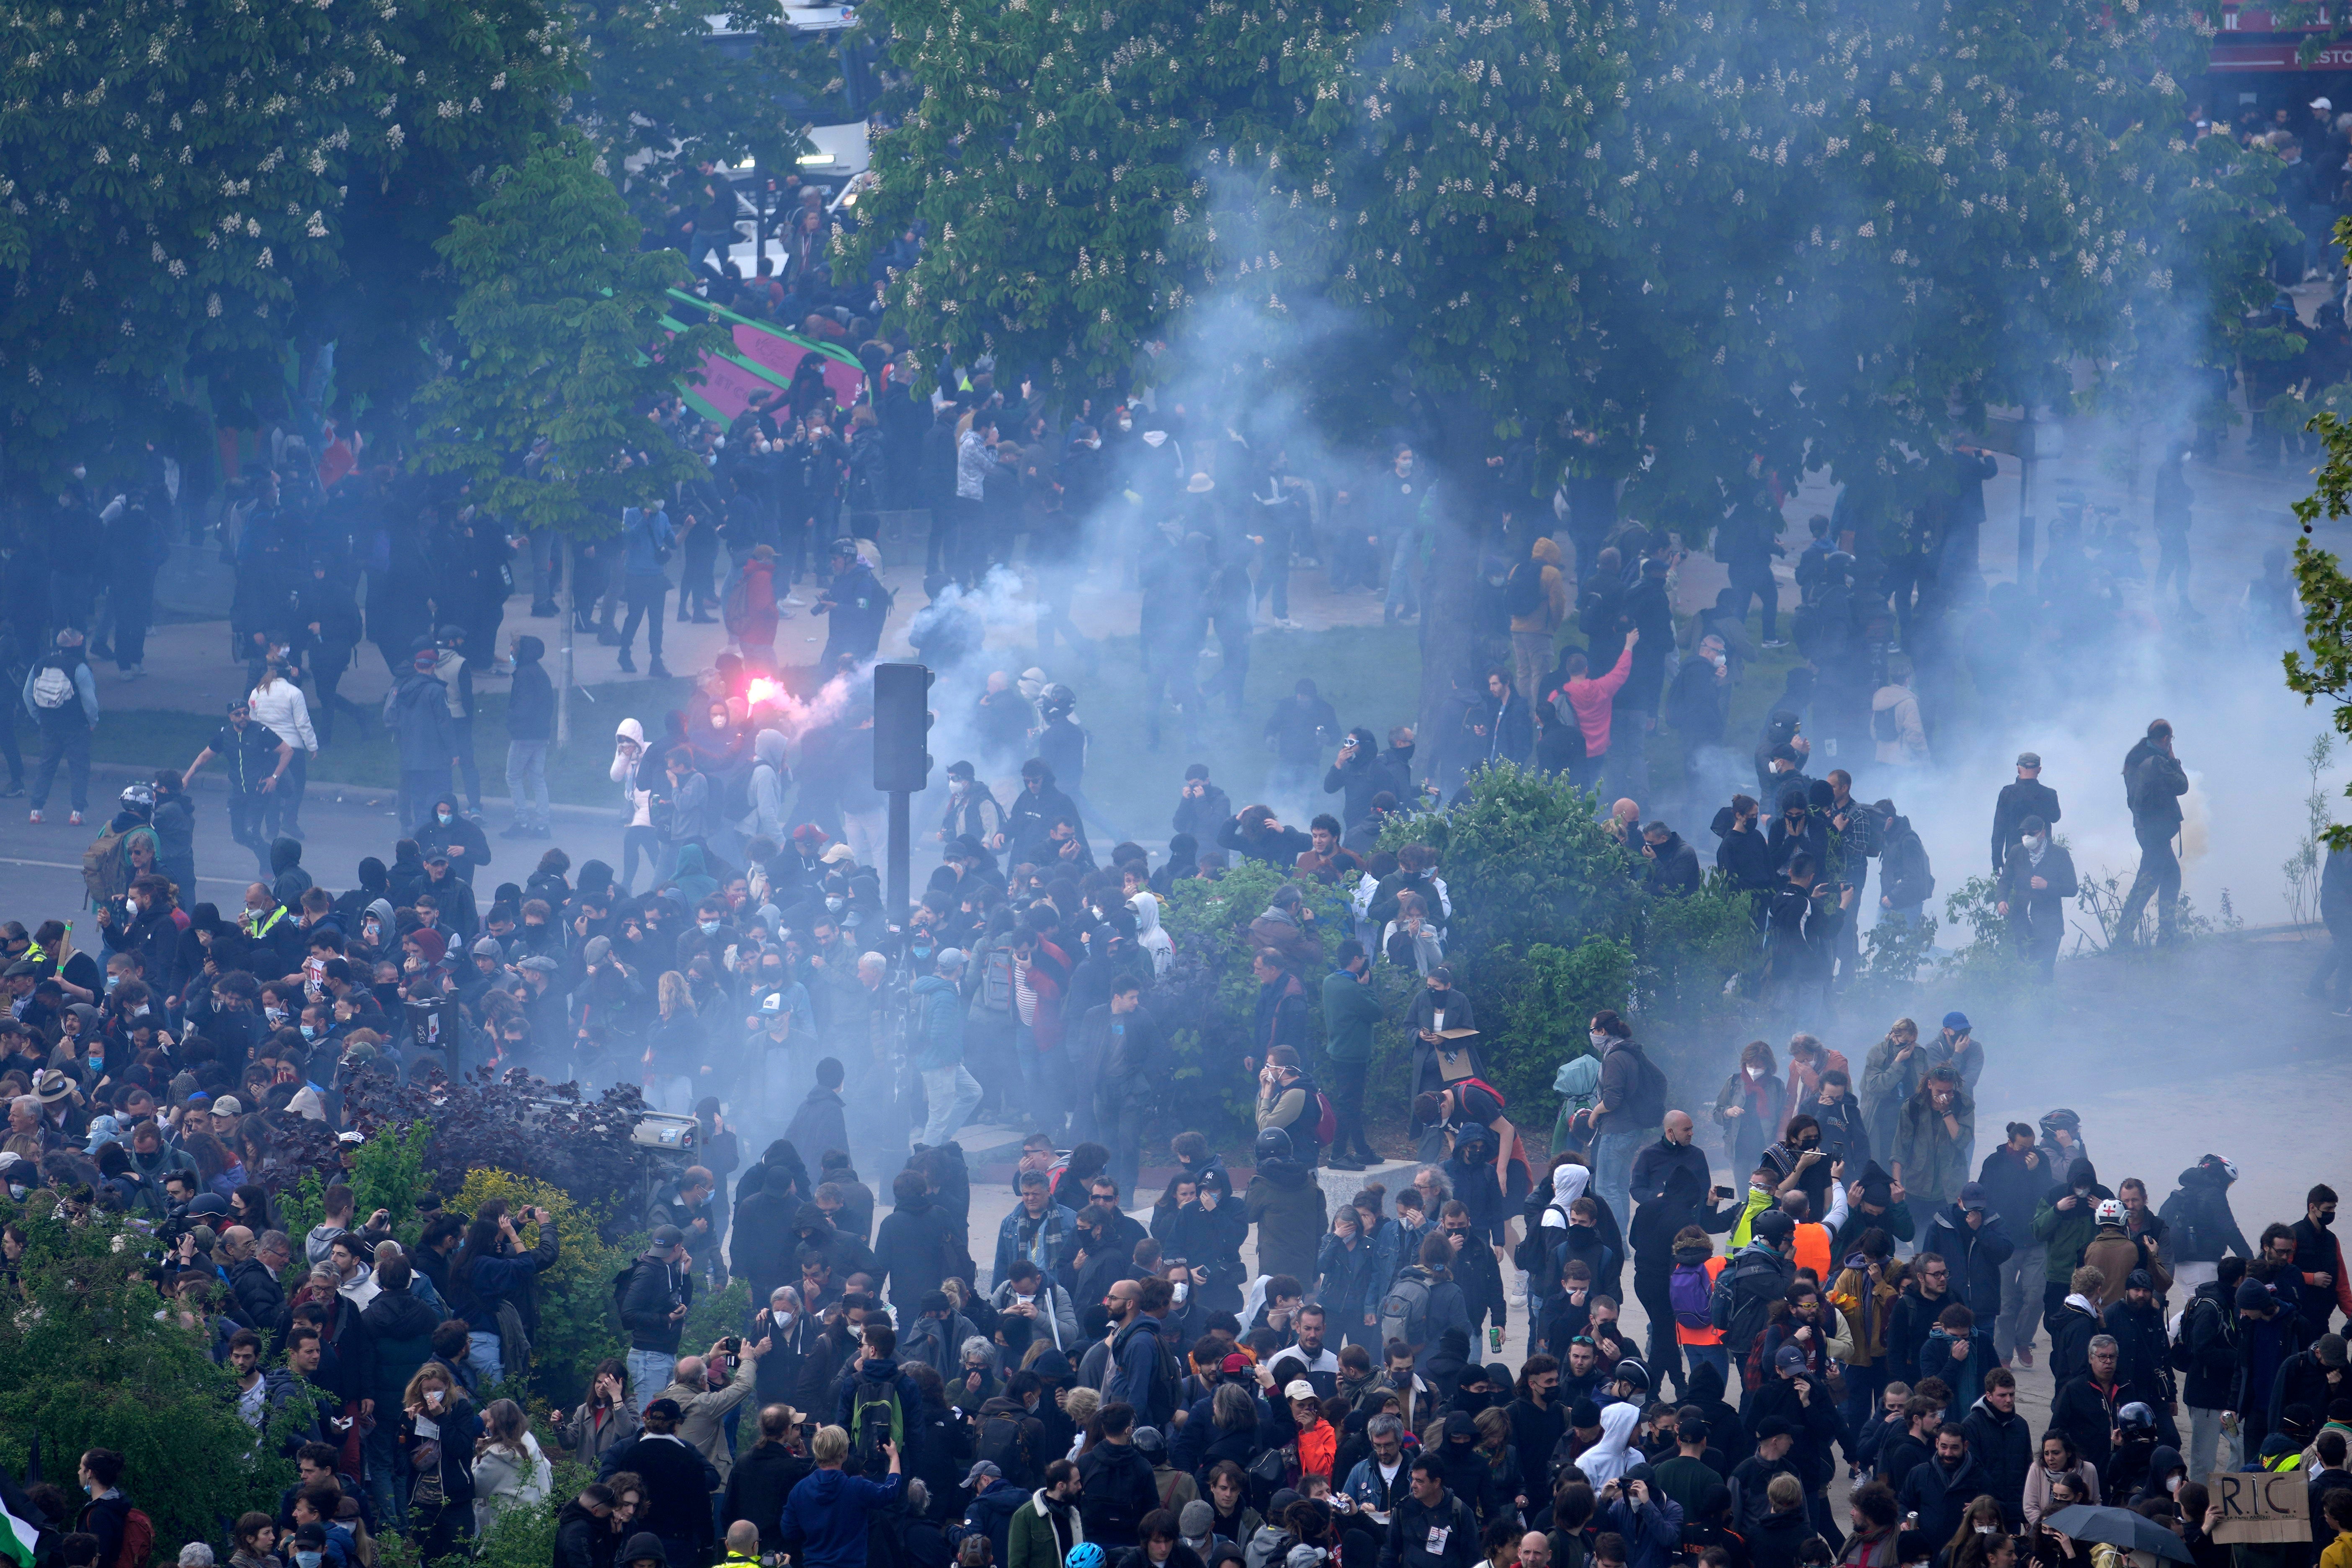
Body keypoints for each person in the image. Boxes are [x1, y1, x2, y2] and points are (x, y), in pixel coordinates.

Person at [2114, 720, 2188, 947]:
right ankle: (2125, 939)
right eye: (2171, 740)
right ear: (2166, 739)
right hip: (2155, 832)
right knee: (2146, 883)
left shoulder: (2135, 757)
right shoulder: (2156, 762)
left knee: (2168, 877)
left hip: (2147, 829)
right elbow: (2182, 786)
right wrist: (2174, 759)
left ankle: (2165, 935)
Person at [1993, 818, 2077, 982]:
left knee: (2045, 969)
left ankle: (2047, 1003)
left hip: (2049, 922)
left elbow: (2072, 888)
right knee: (2026, 966)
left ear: (2043, 833)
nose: (2027, 837)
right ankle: (2028, 1003)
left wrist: (2047, 885)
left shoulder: (2059, 854)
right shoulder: (2017, 852)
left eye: (2031, 834)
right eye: (2023, 834)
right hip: (2021, 920)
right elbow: (2005, 880)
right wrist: (2001, 900)